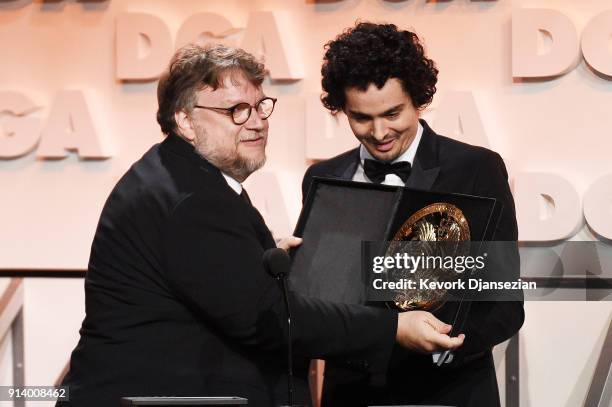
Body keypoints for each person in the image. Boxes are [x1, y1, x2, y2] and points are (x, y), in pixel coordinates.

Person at [57, 43, 465, 407]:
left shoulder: (182, 176)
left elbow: (493, 285)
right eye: (235, 110)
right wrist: (392, 328)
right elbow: (265, 319)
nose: (255, 122)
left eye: (258, 106)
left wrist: (258, 266)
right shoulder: (190, 198)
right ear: (184, 120)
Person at [302, 23, 525, 407]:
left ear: (418, 98)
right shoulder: (320, 178)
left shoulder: (476, 169)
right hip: (350, 393)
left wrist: (443, 344)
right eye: (361, 118)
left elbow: (504, 302)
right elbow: (318, 299)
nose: (379, 131)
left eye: (393, 113)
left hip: (447, 390)